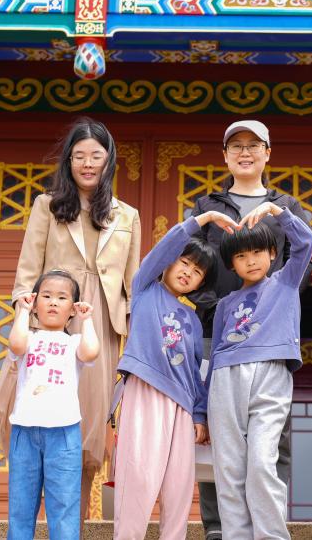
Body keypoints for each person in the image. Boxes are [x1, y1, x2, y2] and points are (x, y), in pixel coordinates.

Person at [5, 117, 141, 518]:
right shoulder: (46, 206)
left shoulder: (126, 216)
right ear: (68, 160)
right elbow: (28, 270)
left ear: (108, 160)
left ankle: (72, 525)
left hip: (99, 328)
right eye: (79, 155)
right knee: (40, 420)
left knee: (88, 429)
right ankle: (29, 521)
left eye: (96, 155)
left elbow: (132, 283)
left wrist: (136, 337)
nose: (87, 163)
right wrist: (25, 318)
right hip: (51, 322)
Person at [189, 120, 312, 540]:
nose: (245, 152)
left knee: (267, 447)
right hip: (219, 332)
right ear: (225, 156)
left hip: (270, 342)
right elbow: (191, 261)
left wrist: (273, 305)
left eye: (253, 145)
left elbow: (303, 257)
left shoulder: (286, 206)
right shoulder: (207, 205)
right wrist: (216, 308)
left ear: (267, 153)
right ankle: (219, 529)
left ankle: (268, 526)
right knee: (221, 448)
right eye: (236, 146)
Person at [112, 211, 233, 539]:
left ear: (200, 283)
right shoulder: (144, 289)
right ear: (168, 262)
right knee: (138, 478)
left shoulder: (192, 319)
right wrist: (202, 219)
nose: (188, 272)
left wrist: (200, 414)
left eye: (197, 272)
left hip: (181, 407)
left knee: (178, 486)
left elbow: (195, 373)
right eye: (184, 262)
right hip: (145, 392)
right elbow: (163, 248)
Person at [207, 202, 312, 540]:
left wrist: (276, 211)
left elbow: (306, 242)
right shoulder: (225, 305)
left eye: (257, 252)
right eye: (241, 256)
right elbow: (215, 354)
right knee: (228, 470)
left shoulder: (286, 283)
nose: (251, 260)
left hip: (270, 376)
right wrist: (199, 410)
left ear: (272, 253)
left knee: (261, 463)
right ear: (232, 264)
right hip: (225, 380)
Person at [6, 270, 100, 540]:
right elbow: (16, 345)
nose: (53, 302)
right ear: (36, 303)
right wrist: (23, 312)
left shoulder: (74, 342)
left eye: (62, 298)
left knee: (64, 505)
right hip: (24, 430)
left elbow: (91, 352)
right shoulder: (28, 338)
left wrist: (87, 320)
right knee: (21, 505)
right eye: (46, 296)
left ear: (72, 309)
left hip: (64, 432)